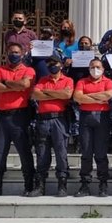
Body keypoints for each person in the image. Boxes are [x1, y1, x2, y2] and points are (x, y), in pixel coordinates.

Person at [0, 42, 36, 196]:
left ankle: (29, 185)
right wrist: (14, 86)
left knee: (25, 152)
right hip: (2, 117)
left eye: (16, 52)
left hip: (20, 116)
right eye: (11, 52)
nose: (13, 54)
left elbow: (24, 84)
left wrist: (4, 83)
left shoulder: (28, 70)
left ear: (22, 54)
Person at [31, 55, 74, 197]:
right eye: (49, 63)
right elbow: (36, 95)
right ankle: (40, 186)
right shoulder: (43, 80)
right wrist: (57, 94)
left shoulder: (67, 80)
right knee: (42, 153)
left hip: (59, 120)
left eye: (54, 63)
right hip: (43, 120)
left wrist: (46, 93)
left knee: (61, 153)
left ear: (61, 65)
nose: (51, 65)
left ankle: (62, 185)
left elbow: (67, 95)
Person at [73, 58, 112, 197]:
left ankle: (103, 183)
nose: (95, 69)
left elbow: (108, 95)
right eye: (92, 67)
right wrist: (98, 98)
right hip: (86, 117)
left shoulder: (108, 81)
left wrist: (87, 96)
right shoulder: (82, 82)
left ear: (103, 69)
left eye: (98, 67)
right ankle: (85, 183)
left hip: (102, 117)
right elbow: (78, 97)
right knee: (86, 152)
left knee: (101, 152)